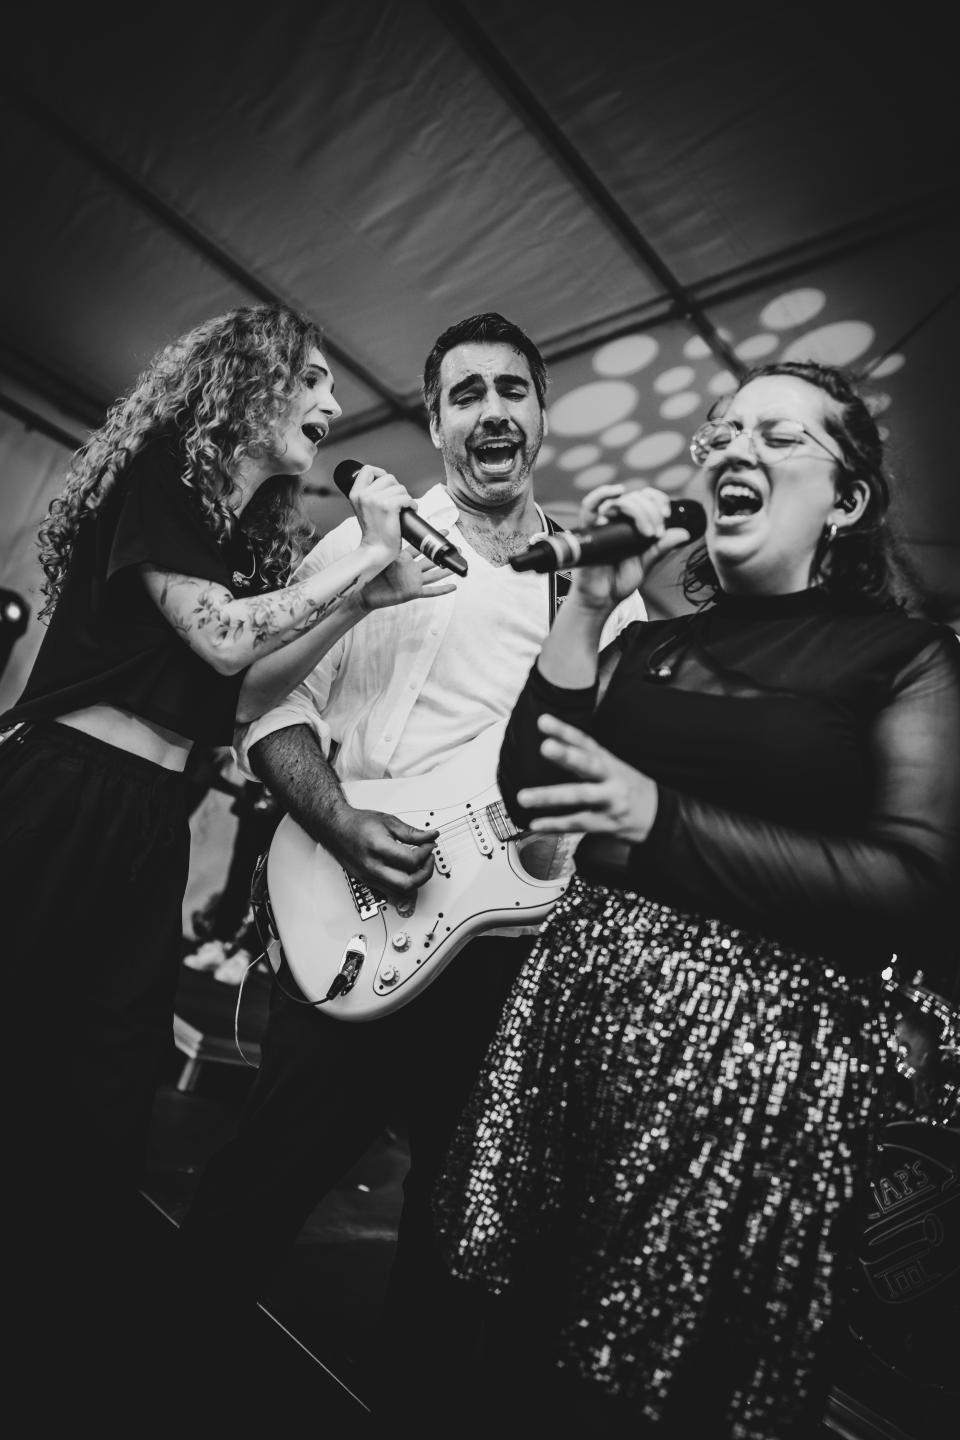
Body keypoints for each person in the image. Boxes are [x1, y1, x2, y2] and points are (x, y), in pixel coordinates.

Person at [433, 360, 960, 1440]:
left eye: (777, 435)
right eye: (721, 434)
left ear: (848, 499)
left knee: (658, 1381)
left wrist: (660, 818)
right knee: (507, 1355)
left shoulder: (905, 658)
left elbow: (913, 882)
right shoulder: (646, 642)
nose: (733, 450)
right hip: (574, 1030)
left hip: (750, 1069)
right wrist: (590, 598)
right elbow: (529, 788)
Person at [176, 312, 647, 1421]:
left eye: (513, 390)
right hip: (351, 913)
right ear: (435, 423)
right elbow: (268, 708)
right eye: (466, 394)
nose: (493, 411)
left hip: (505, 953)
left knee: (453, 1235)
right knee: (258, 1186)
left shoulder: (597, 588)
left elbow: (609, 769)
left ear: (541, 414)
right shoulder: (367, 541)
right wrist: (342, 822)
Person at [0, 301, 450, 1417]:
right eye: (310, 379)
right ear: (246, 382)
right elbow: (218, 634)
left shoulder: (249, 538)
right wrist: (370, 553)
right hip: (63, 794)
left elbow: (239, 692)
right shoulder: (163, 474)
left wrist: (365, 599)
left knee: (110, 1092)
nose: (334, 403)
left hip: (152, 818)